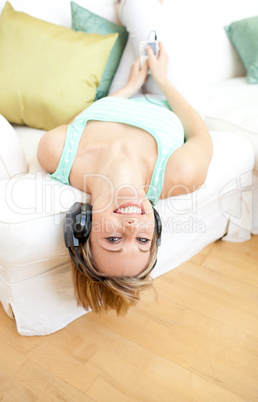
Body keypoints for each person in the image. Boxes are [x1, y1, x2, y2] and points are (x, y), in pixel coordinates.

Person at [37, 3, 213, 315]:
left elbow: (86, 120)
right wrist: (163, 79)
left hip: (120, 95)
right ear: (155, 226)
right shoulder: (178, 174)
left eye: (115, 238)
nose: (133, 225)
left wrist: (130, 87)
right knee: (140, 11)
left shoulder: (56, 153)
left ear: (82, 226)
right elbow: (200, 133)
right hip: (165, 98)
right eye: (144, 239)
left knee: (135, 10)